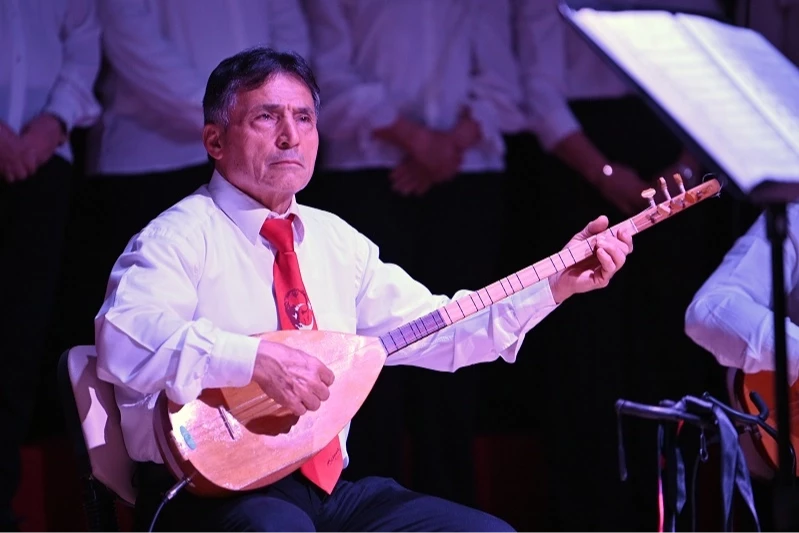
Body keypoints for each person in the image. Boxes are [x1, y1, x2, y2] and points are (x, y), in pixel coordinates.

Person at [95, 47, 633, 532]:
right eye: (267, 117)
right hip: (204, 493)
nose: (290, 136)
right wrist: (252, 359)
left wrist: (554, 286)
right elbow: (123, 338)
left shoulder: (336, 240)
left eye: (304, 118)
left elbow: (440, 329)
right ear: (214, 140)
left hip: (323, 492)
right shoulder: (179, 236)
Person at [299, 0, 525, 504]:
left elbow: (503, 82)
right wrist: (417, 140)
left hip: (466, 174)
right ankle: (365, 510)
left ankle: (451, 512)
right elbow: (327, 77)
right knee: (367, 361)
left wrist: (447, 145)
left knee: (457, 353)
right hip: (367, 170)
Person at [0, 0, 102, 529]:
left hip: (44, 158)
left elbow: (82, 40)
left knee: (17, 343)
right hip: (24, 150)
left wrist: (52, 123)